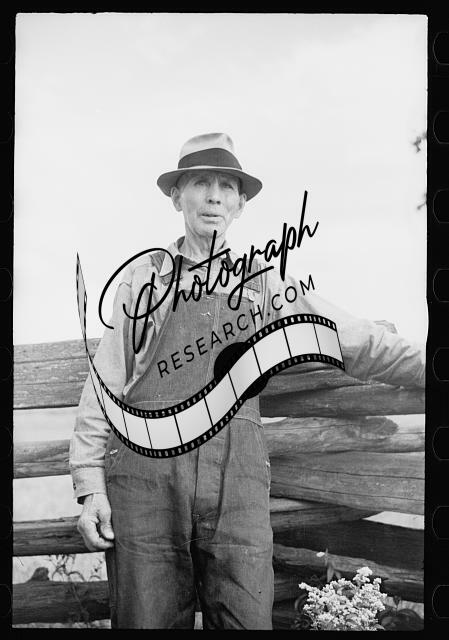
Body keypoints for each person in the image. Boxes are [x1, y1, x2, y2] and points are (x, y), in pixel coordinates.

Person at [69, 132, 425, 630]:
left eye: (226, 187)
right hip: (147, 487)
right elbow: (103, 386)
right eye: (200, 183)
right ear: (177, 196)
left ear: (239, 204)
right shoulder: (143, 280)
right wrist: (91, 488)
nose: (213, 197)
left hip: (235, 485)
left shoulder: (264, 283)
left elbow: (349, 338)